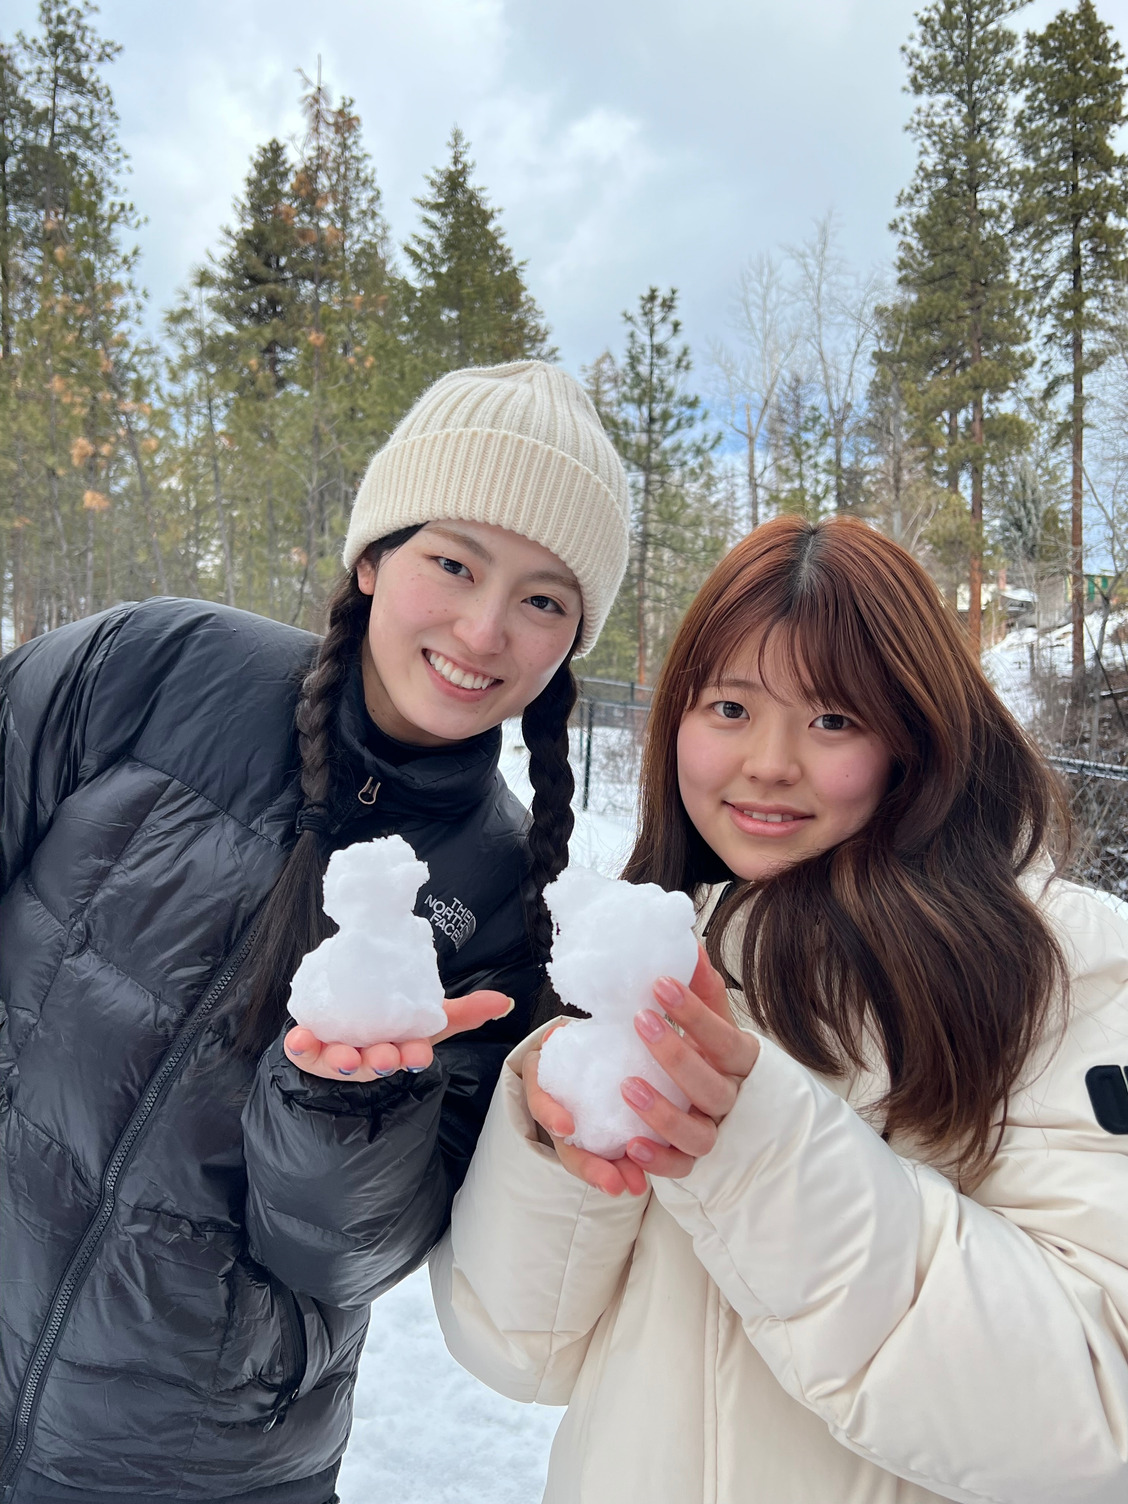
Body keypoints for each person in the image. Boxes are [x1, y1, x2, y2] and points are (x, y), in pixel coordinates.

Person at [0, 360, 629, 1504]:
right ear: (374, 556)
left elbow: (345, 1256)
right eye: (454, 562)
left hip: (204, 1462)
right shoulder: (158, 666)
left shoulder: (501, 891)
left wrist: (349, 1109)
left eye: (544, 599)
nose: (485, 629)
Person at [431, 514, 1128, 1504]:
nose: (768, 760)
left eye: (833, 719)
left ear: (916, 740)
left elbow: (1098, 1418)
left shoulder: (1068, 970)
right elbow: (515, 1349)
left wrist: (757, 1151)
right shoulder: (663, 954)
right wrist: (556, 1138)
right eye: (729, 707)